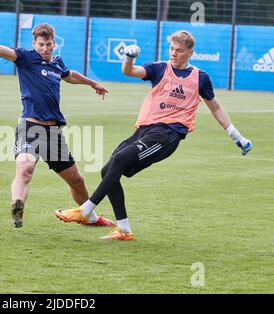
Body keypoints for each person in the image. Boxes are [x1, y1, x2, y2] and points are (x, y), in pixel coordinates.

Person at [54, 30, 253, 240]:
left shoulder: (200, 77)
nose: (174, 54)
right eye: (172, 49)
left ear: (190, 53)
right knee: (107, 170)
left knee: (120, 159)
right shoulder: (160, 68)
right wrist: (129, 58)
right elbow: (129, 72)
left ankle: (85, 210)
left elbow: (215, 108)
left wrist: (236, 136)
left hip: (168, 135)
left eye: (179, 51)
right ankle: (124, 229)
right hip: (144, 130)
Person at [0, 23, 114, 228]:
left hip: (53, 134)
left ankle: (90, 217)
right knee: (25, 168)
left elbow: (70, 76)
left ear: (54, 44)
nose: (45, 49)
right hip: (30, 128)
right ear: (34, 43)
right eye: (41, 45)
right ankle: (17, 205)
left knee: (77, 181)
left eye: (48, 44)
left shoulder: (57, 63)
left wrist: (93, 83)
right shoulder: (25, 57)